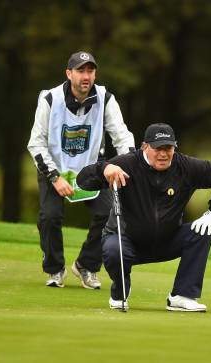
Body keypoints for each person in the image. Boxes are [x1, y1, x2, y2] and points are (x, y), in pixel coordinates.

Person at [77, 123, 211, 311]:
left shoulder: (185, 167)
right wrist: (104, 168)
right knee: (113, 249)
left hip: (167, 240)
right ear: (145, 146)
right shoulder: (126, 164)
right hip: (127, 242)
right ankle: (120, 292)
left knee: (201, 231)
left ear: (174, 147)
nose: (163, 153)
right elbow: (83, 181)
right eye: (158, 148)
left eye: (168, 148)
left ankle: (181, 296)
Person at [27, 51, 135, 289]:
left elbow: (122, 136)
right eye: (80, 71)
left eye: (90, 71)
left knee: (109, 214)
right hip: (53, 166)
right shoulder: (50, 99)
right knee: (50, 217)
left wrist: (124, 164)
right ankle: (55, 269)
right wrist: (54, 178)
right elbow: (36, 143)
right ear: (69, 74)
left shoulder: (105, 98)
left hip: (91, 167)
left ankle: (86, 265)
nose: (86, 76)